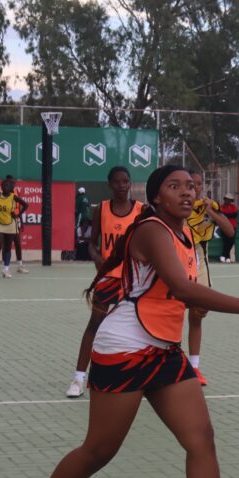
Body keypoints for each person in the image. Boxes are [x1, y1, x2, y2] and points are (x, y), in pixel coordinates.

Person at [18, 165, 239, 478]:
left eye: (191, 186)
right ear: (157, 197)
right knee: (99, 451)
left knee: (201, 440)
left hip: (164, 349)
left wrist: (197, 304)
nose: (186, 192)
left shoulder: (186, 233)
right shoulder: (152, 231)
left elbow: (181, 294)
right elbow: (182, 287)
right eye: (175, 187)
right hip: (124, 348)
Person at [65, 167, 143, 398]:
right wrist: (97, 257)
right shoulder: (102, 209)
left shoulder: (141, 210)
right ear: (110, 184)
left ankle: (139, 377)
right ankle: (79, 378)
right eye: (117, 182)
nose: (122, 185)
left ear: (130, 183)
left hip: (133, 279)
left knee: (138, 327)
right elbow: (92, 243)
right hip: (108, 277)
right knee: (95, 324)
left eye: (126, 181)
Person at [186, 171, 236, 385]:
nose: (196, 187)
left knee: (198, 313)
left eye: (199, 184)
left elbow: (230, 231)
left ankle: (194, 366)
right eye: (191, 184)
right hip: (178, 260)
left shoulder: (209, 206)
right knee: (170, 312)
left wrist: (210, 213)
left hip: (199, 263)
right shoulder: (178, 206)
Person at [0, 177, 28, 279]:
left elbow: (26, 205)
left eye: (8, 186)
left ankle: (6, 269)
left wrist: (18, 215)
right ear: (1, 187)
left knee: (8, 248)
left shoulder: (13, 197)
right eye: (4, 185)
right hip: (0, 224)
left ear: (11, 188)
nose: (6, 187)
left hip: (11, 224)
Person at [7, 176, 29, 274]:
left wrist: (21, 220)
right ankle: (5, 267)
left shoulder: (16, 192)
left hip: (15, 221)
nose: (13, 184)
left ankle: (20, 266)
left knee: (18, 243)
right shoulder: (2, 193)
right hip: (6, 221)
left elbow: (20, 207)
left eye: (14, 183)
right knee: (6, 245)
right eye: (11, 182)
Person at [219, 195, 238, 262]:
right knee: (225, 241)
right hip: (223, 226)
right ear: (225, 199)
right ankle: (227, 256)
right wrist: (228, 215)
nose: (228, 201)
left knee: (231, 241)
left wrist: (226, 215)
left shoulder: (233, 207)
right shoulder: (221, 207)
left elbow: (235, 215)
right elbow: (220, 214)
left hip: (233, 226)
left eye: (230, 200)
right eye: (227, 199)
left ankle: (224, 255)